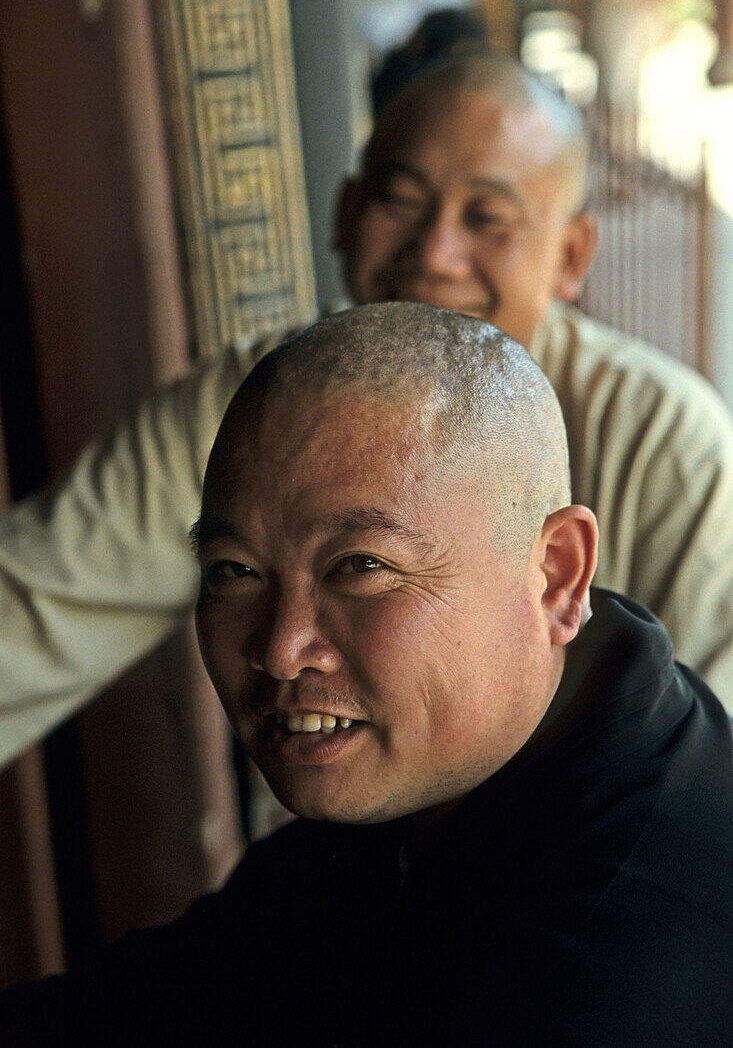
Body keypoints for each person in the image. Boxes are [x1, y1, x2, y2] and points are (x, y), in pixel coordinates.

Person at [1, 303, 731, 1044]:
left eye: (359, 567)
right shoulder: (433, 781)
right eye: (235, 571)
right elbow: (158, 1001)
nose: (281, 650)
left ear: (554, 576)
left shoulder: (615, 967)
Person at [1, 50, 732, 769]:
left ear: (570, 255)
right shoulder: (261, 404)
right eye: (401, 203)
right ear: (346, 213)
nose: (435, 254)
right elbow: (34, 613)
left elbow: (710, 759)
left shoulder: (665, 444)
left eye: (487, 219)